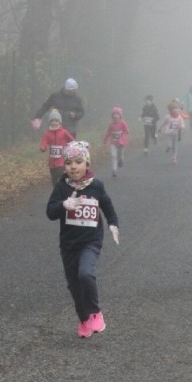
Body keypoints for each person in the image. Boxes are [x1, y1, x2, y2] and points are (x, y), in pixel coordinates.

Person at [46, 141, 119, 338]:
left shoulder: (96, 186)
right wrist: (64, 205)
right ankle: (84, 319)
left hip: (90, 241)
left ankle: (95, 312)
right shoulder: (62, 187)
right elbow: (50, 212)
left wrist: (113, 223)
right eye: (69, 162)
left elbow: (107, 205)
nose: (73, 166)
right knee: (74, 284)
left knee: (85, 274)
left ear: (87, 164)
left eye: (78, 161)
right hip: (69, 245)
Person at [40, 109, 74, 187]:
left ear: (59, 122)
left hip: (61, 160)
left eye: (56, 121)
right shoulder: (47, 133)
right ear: (49, 122)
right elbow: (44, 142)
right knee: (54, 179)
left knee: (60, 175)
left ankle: (63, 189)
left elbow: (71, 139)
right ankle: (57, 192)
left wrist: (76, 145)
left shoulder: (63, 132)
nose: (54, 123)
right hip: (52, 163)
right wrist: (43, 147)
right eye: (52, 121)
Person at [102, 105, 129, 177]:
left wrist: (122, 139)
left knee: (120, 156)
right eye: (114, 115)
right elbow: (108, 132)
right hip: (113, 143)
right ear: (112, 116)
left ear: (120, 116)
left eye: (117, 115)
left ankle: (121, 160)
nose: (115, 116)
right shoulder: (111, 124)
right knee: (113, 156)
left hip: (121, 143)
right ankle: (114, 170)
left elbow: (126, 132)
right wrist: (105, 139)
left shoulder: (123, 123)